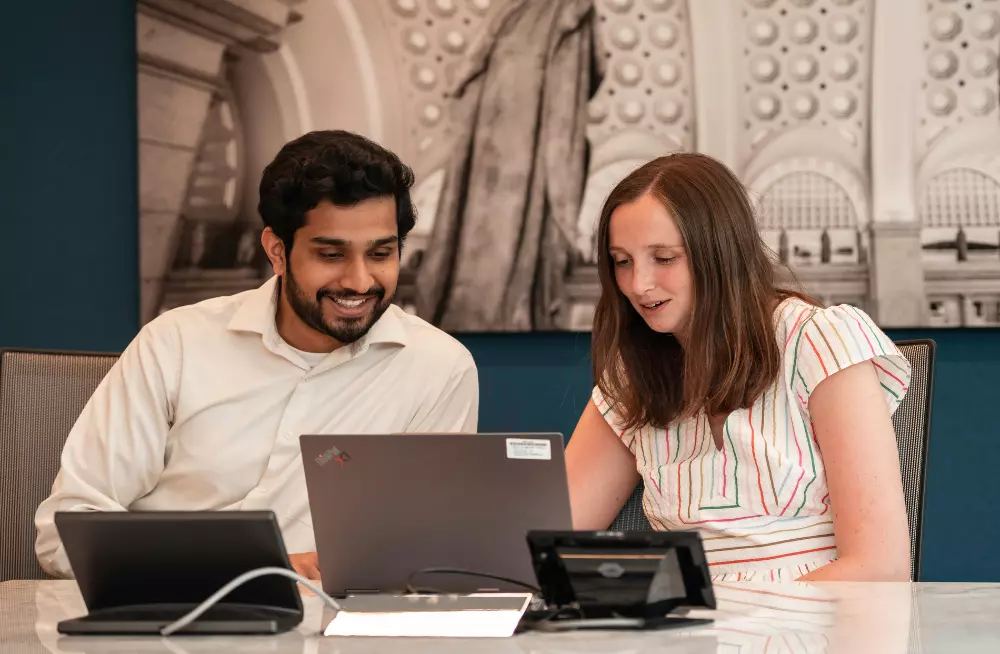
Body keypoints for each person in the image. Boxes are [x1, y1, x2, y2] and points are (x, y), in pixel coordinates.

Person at [35, 130, 479, 580]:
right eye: (331, 254)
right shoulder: (175, 343)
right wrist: (257, 568)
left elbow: (427, 555)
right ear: (276, 251)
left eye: (381, 253)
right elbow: (64, 534)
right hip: (160, 625)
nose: (360, 281)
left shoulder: (438, 368)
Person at [566, 153, 912, 582]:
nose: (638, 284)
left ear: (720, 251)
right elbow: (551, 536)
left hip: (813, 632)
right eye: (622, 261)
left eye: (664, 258)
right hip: (681, 635)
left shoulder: (820, 339)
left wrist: (740, 624)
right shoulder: (633, 374)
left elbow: (880, 566)